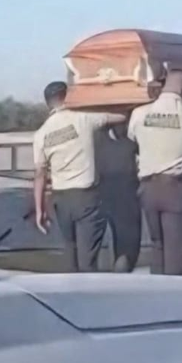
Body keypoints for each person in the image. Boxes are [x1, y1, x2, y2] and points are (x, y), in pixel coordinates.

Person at [32, 81, 127, 272]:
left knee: (70, 251)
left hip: (61, 199)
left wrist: (39, 210)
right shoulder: (83, 119)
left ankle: (71, 293)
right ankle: (89, 294)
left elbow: (40, 175)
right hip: (86, 197)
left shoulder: (41, 134)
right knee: (88, 258)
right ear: (68, 97)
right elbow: (119, 117)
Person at [128, 69, 182, 276]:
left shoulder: (139, 113)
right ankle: (173, 299)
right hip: (177, 189)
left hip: (148, 189)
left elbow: (132, 137)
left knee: (157, 246)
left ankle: (156, 293)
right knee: (176, 252)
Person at [94, 125, 142, 272]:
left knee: (125, 248)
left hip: (109, 196)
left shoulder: (97, 139)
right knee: (127, 247)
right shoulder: (131, 142)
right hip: (123, 198)